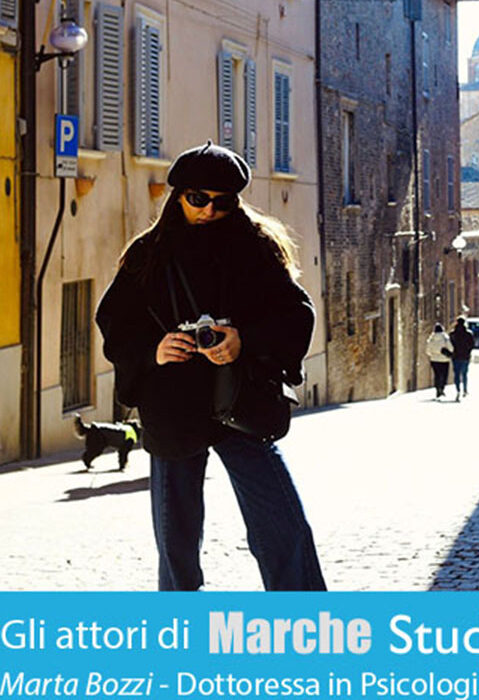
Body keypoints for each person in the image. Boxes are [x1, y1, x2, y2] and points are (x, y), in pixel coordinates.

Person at [96, 141, 325, 592]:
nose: (208, 211)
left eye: (222, 203)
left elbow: (298, 314)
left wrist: (243, 341)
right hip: (172, 405)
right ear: (178, 196)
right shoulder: (147, 254)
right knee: (176, 542)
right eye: (198, 199)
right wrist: (155, 350)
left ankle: (305, 617)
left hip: (242, 398)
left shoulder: (258, 248)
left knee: (281, 527)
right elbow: (114, 322)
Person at [449, 316, 475, 400]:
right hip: (465, 356)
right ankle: (465, 389)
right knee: (464, 374)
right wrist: (468, 351)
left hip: (456, 356)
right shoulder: (468, 334)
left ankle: (458, 390)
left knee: (456, 374)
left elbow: (450, 345)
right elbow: (472, 345)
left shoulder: (452, 334)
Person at [425, 323, 454, 400]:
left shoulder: (431, 339)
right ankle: (442, 388)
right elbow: (451, 348)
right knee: (444, 375)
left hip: (434, 360)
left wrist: (433, 354)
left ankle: (437, 389)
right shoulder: (445, 338)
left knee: (437, 375)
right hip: (444, 360)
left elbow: (428, 351)